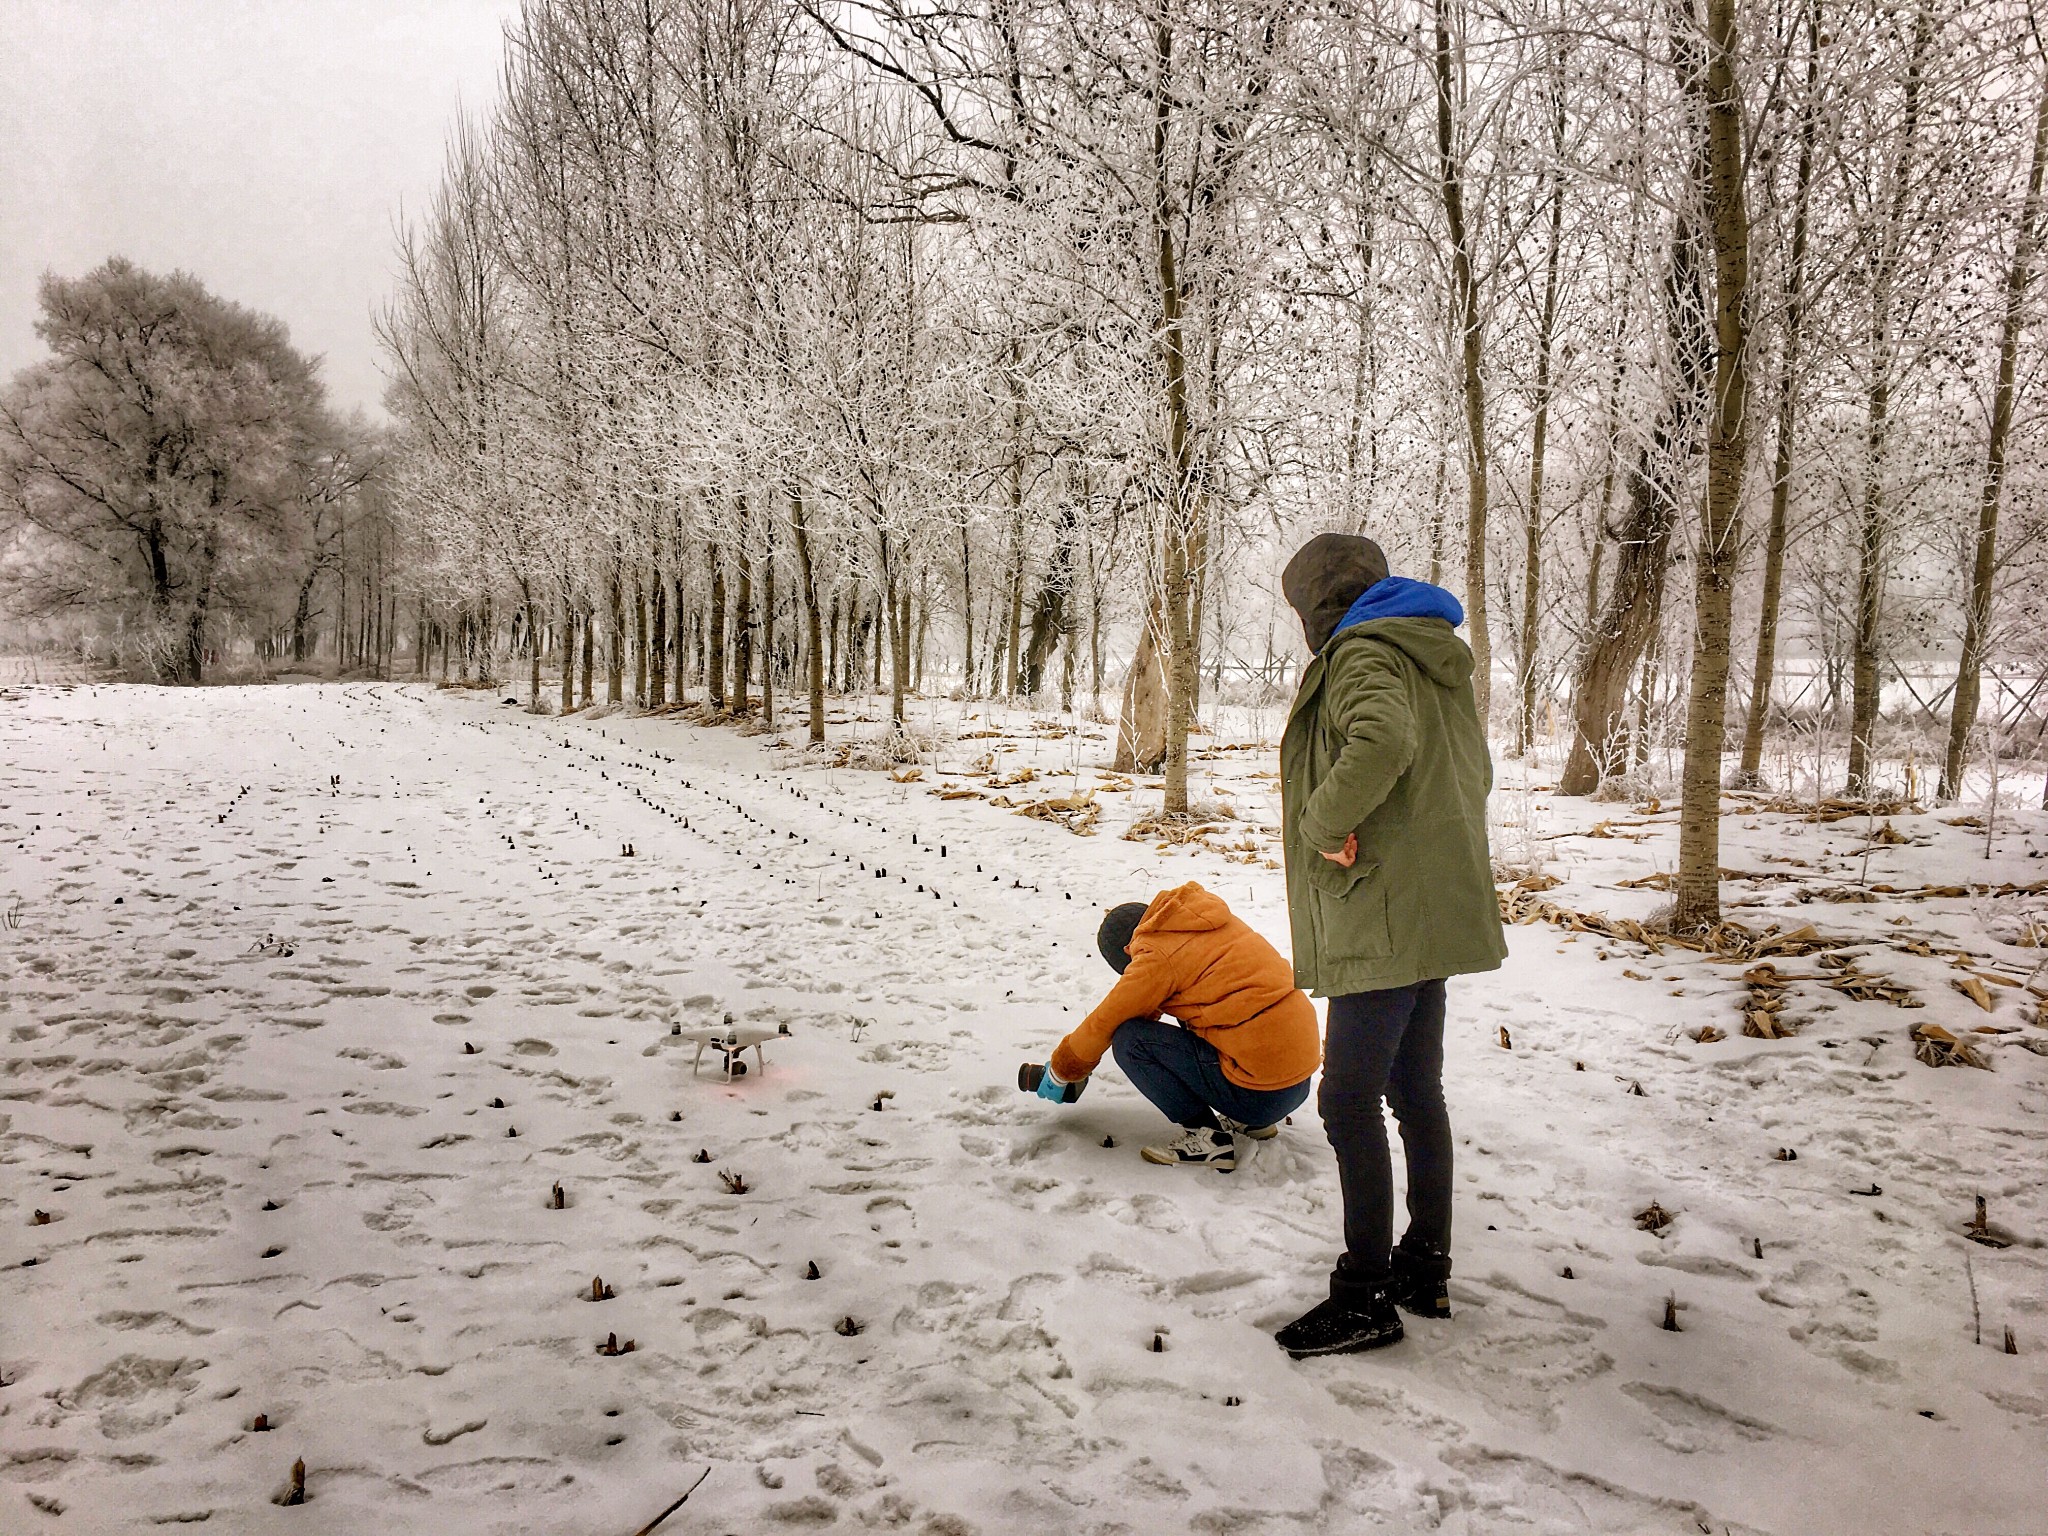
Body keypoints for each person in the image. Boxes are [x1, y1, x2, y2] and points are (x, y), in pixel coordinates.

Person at [1272, 532, 1506, 1358]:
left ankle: (1364, 1294)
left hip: (1385, 913)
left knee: (1346, 1101)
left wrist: (1322, 821)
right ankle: (1424, 1264)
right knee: (1415, 1092)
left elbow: (1382, 742)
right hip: (1429, 907)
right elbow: (1468, 773)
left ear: (1319, 607)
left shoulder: (1363, 654)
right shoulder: (1427, 650)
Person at [1022, 882, 1320, 1172]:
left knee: (1130, 1040)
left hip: (1259, 1096)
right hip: (1297, 1084)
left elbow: (1105, 1022)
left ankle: (1207, 1137)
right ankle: (1254, 1123)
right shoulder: (1205, 924)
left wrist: (1061, 1071)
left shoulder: (1156, 958)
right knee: (1208, 1013)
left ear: (1128, 953)